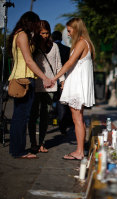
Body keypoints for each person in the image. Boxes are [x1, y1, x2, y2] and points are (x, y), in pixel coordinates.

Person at [8, 11, 52, 159]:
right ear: (31, 22)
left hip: (18, 77)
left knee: (18, 116)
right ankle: (19, 151)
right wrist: (44, 77)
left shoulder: (17, 34)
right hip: (25, 79)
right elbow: (28, 60)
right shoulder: (23, 35)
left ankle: (16, 149)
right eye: (36, 24)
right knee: (22, 117)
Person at [51, 18, 95, 160]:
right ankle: (80, 150)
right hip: (76, 84)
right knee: (78, 119)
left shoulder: (82, 43)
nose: (68, 34)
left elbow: (70, 63)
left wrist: (55, 77)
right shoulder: (85, 43)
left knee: (77, 119)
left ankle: (80, 152)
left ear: (76, 29)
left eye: (69, 31)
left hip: (77, 86)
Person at [28, 20, 65, 154]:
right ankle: (33, 143)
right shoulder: (33, 47)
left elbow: (58, 65)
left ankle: (42, 143)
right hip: (35, 85)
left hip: (50, 86)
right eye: (42, 33)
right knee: (33, 115)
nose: (44, 35)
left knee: (45, 116)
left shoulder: (54, 46)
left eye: (46, 33)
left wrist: (62, 80)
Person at [51, 30, 73, 134]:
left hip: (50, 80)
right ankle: (63, 125)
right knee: (63, 103)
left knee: (50, 102)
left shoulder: (49, 49)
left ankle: (51, 121)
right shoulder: (67, 49)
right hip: (64, 80)